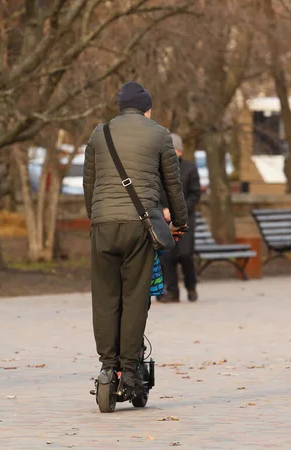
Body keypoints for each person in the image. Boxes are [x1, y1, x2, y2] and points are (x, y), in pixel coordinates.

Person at [83, 81, 188, 389]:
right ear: (147, 108)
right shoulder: (159, 134)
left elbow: (89, 184)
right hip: (139, 227)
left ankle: (106, 367)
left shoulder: (99, 135)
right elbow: (173, 185)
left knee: (105, 299)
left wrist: (97, 217)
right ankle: (129, 370)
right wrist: (178, 222)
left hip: (103, 225)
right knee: (134, 297)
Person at [157, 133, 201, 303]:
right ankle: (172, 291)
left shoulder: (190, 168)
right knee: (168, 256)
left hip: (185, 220)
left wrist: (178, 211)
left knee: (185, 255)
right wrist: (162, 210)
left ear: (180, 152)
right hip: (165, 220)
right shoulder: (157, 171)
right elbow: (153, 194)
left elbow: (195, 194)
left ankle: (191, 286)